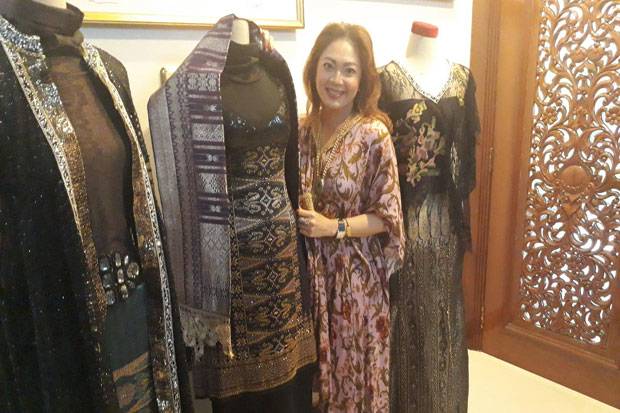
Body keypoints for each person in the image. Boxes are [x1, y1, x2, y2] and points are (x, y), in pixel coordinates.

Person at [296, 23, 405, 412]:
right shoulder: (301, 131)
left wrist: (334, 228)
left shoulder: (374, 135)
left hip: (355, 284)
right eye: (328, 66)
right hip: (310, 277)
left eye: (349, 70)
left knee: (353, 384)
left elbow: (387, 216)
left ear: (362, 80)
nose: (336, 80)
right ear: (314, 68)